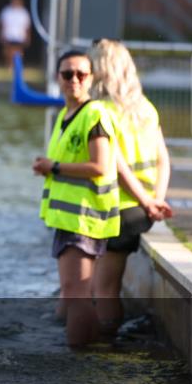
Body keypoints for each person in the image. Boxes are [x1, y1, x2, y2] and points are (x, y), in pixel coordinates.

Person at [33, 50, 119, 348]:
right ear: (57, 78)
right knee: (72, 294)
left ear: (92, 78)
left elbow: (100, 166)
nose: (75, 80)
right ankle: (89, 349)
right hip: (68, 219)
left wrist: (53, 167)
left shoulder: (94, 114)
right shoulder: (64, 116)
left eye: (81, 74)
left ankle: (83, 359)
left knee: (76, 295)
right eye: (67, 74)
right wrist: (48, 167)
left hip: (84, 218)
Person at [89, 39, 172, 337]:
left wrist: (145, 201)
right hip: (143, 209)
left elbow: (117, 166)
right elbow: (164, 158)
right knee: (107, 283)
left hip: (119, 209)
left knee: (105, 288)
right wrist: (156, 200)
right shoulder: (145, 109)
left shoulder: (100, 110)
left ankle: (105, 345)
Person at [0, 0, 31, 68]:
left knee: (18, 51)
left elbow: (27, 26)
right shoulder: (6, 11)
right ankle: (9, 65)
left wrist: (28, 37)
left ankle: (17, 65)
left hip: (19, 35)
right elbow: (2, 24)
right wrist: (1, 34)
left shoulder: (23, 12)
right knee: (8, 51)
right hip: (9, 35)